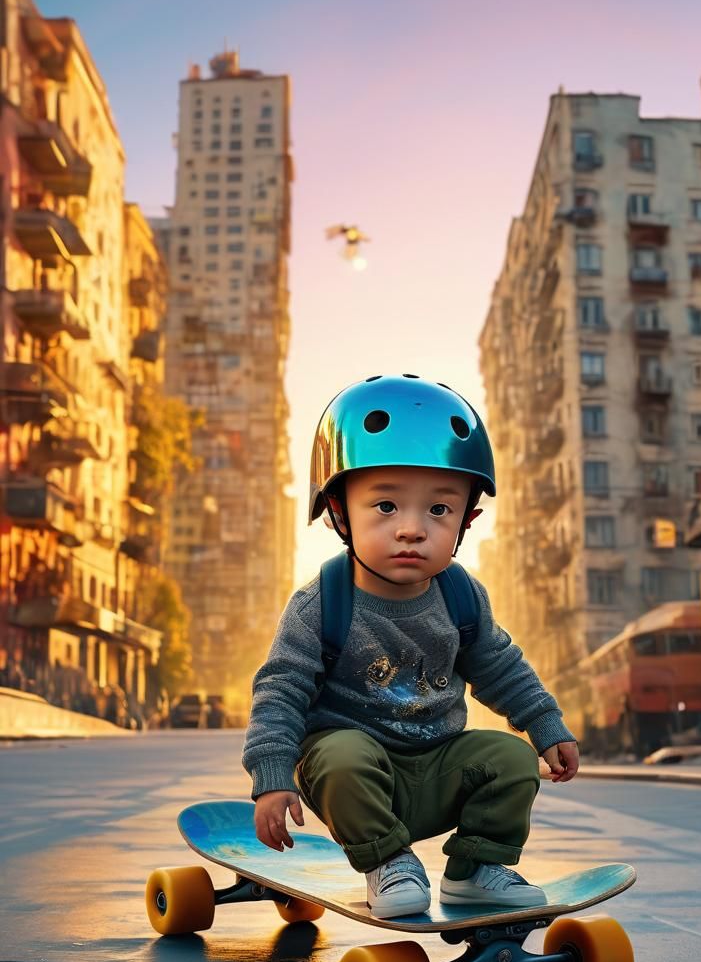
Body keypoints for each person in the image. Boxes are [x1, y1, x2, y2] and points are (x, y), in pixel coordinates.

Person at [242, 374, 579, 920]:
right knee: (343, 756)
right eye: (386, 506)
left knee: (512, 759)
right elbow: (280, 693)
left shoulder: (461, 597)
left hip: (436, 766)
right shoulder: (321, 604)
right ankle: (388, 863)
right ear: (338, 512)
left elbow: (500, 666)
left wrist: (546, 725)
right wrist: (272, 776)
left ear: (467, 520)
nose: (412, 530)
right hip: (354, 779)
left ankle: (476, 871)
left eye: (439, 511)